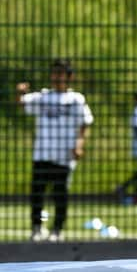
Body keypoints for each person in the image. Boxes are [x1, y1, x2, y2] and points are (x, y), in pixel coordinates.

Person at [16, 59, 94, 242]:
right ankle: (37, 228)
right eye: (54, 72)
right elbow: (22, 104)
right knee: (37, 192)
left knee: (60, 194)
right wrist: (20, 92)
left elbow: (85, 123)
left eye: (60, 73)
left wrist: (79, 145)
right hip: (42, 153)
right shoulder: (43, 97)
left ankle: (57, 230)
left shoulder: (76, 99)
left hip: (64, 155)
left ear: (69, 76)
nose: (56, 77)